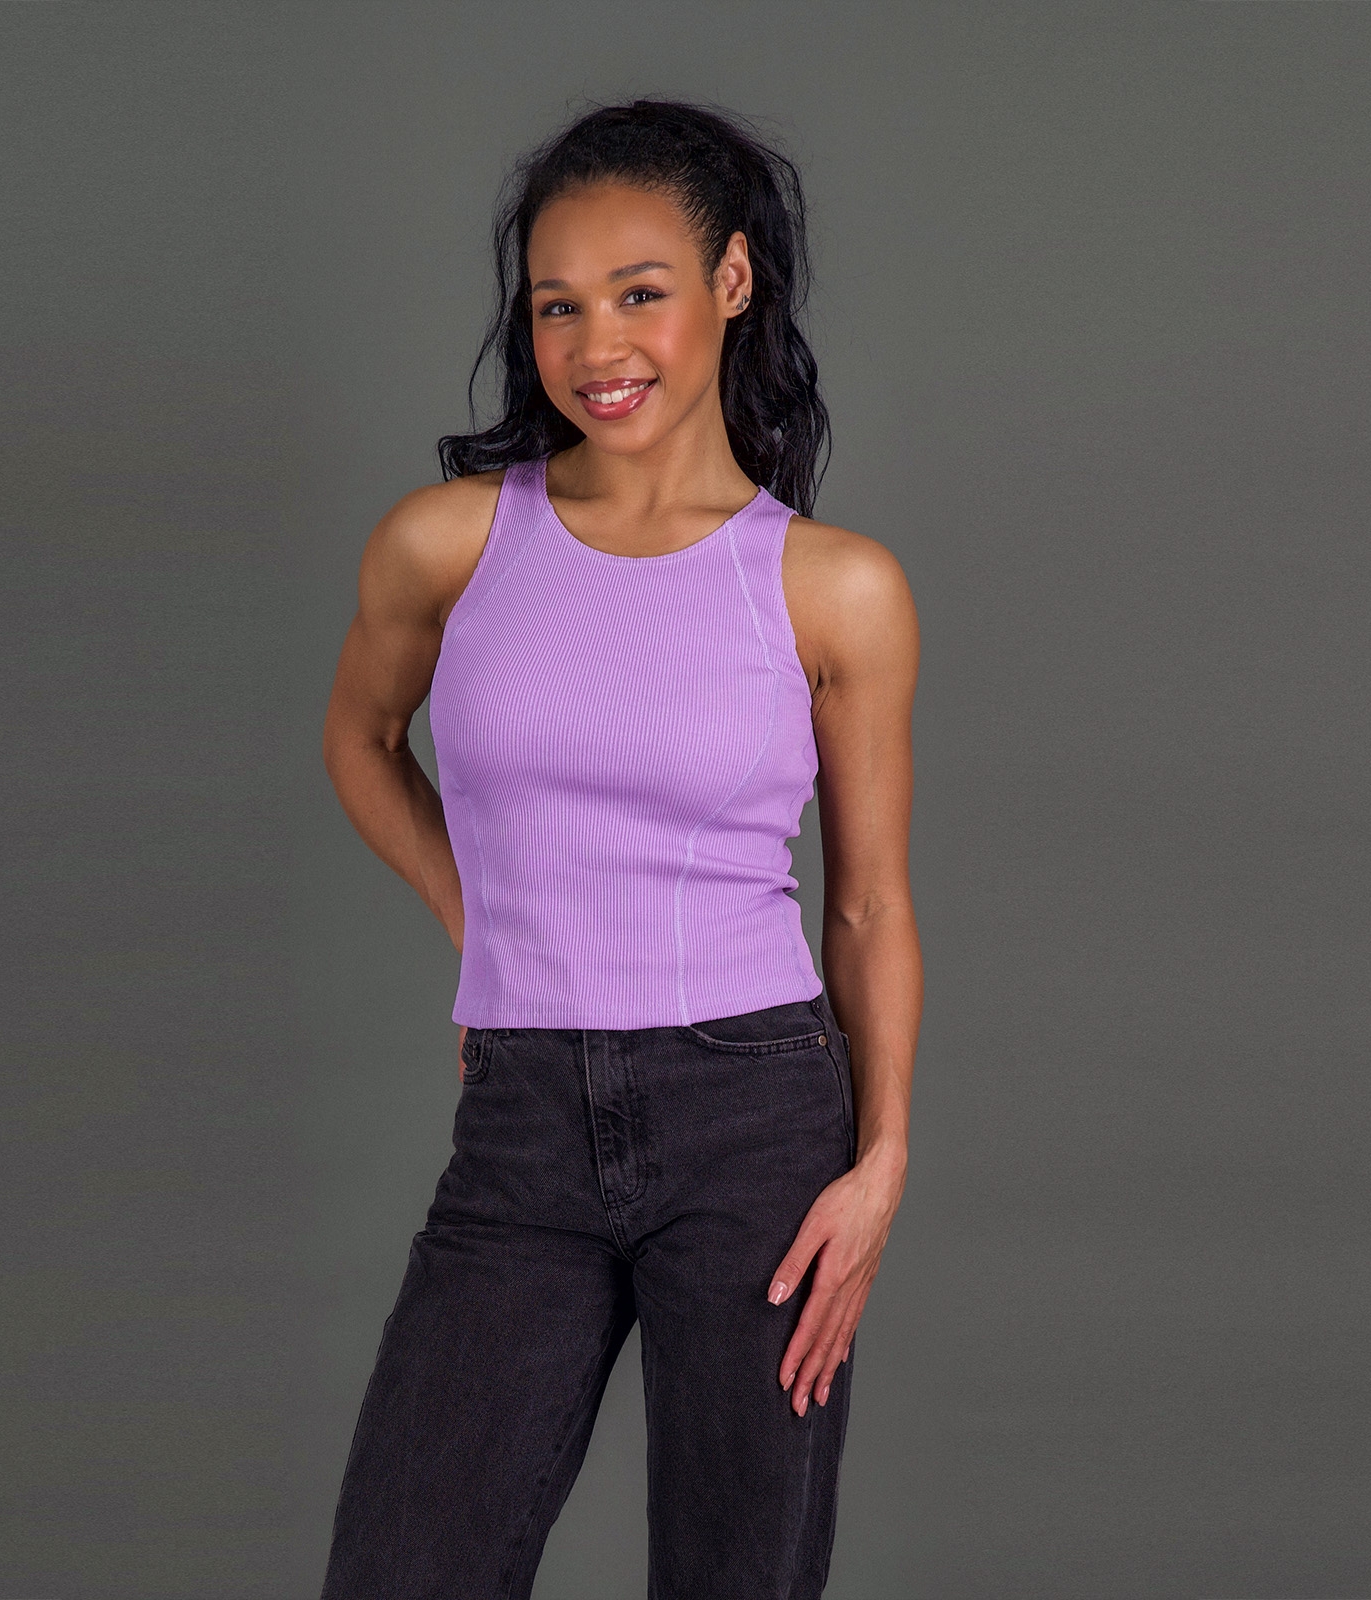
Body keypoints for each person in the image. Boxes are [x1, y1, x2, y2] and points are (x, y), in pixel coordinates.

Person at [317, 98, 922, 1600]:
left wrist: (882, 1161)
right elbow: (359, 740)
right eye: (558, 307)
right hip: (523, 1118)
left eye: (640, 292)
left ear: (733, 280)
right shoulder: (448, 544)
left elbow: (865, 908)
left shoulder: (833, 588)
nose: (599, 346)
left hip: (757, 1119)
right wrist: (480, 923)